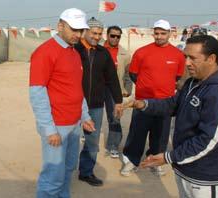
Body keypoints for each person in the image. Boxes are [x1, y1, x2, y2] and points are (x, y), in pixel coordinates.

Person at [129, 35, 218, 198]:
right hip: (185, 168)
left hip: (206, 176)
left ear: (211, 58)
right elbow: (172, 104)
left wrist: (169, 157)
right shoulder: (193, 82)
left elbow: (210, 140)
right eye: (185, 57)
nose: (186, 63)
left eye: (192, 58)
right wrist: (143, 104)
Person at [29, 8, 95, 198]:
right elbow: (37, 94)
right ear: (60, 26)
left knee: (67, 170)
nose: (78, 35)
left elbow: (76, 89)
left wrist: (84, 116)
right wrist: (49, 129)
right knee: (52, 178)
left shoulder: (74, 53)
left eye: (81, 30)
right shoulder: (45, 52)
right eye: (74, 29)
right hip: (57, 126)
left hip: (74, 125)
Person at [121, 19, 185, 177]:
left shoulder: (177, 54)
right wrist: (146, 88)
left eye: (163, 33)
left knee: (160, 136)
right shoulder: (142, 52)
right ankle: (132, 161)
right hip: (143, 102)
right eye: (156, 33)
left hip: (165, 103)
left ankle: (154, 161)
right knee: (137, 133)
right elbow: (133, 74)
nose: (159, 36)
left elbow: (178, 76)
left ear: (170, 34)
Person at [74, 17, 123, 187]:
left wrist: (118, 101)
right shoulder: (74, 49)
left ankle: (86, 173)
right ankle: (64, 171)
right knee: (69, 139)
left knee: (92, 141)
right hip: (73, 103)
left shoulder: (104, 53)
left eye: (99, 34)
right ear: (85, 31)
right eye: (94, 33)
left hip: (94, 105)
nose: (96, 36)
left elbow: (112, 79)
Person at [103, 25, 132, 158]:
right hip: (96, 89)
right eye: (112, 35)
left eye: (118, 36)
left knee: (115, 117)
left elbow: (128, 74)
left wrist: (127, 90)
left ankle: (113, 145)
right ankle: (86, 137)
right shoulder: (97, 50)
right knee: (88, 115)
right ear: (107, 35)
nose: (115, 38)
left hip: (114, 90)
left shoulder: (125, 54)